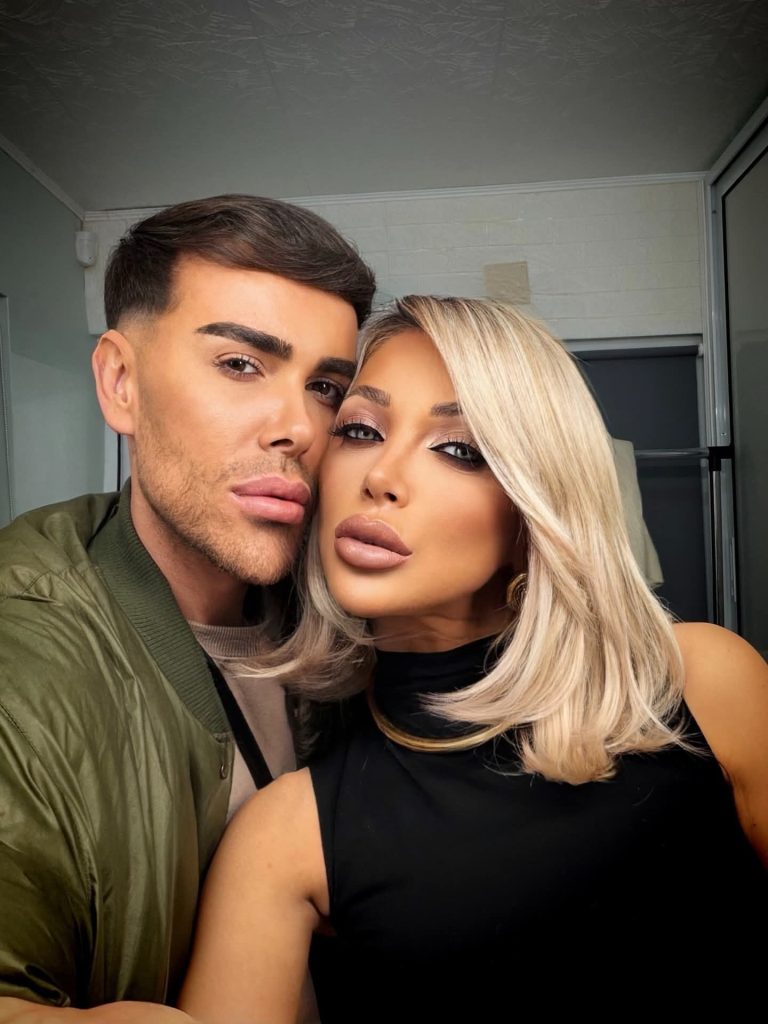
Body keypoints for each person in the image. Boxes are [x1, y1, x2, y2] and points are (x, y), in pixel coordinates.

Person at [178, 296, 768, 1023]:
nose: (381, 475)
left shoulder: (702, 683)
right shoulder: (286, 837)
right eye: (360, 431)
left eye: (459, 450)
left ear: (533, 506)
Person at [0, 194, 375, 1019]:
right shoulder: (22, 652)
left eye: (325, 387)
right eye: (240, 364)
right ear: (121, 382)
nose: (298, 429)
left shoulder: (346, 608)